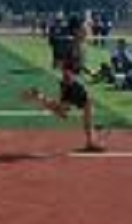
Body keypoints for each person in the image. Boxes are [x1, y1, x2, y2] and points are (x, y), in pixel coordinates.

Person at [23, 14, 105, 152]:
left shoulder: (80, 44)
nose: (87, 28)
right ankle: (91, 141)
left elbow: (78, 64)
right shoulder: (71, 44)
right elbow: (61, 64)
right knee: (88, 104)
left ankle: (37, 97)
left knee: (62, 111)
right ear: (77, 30)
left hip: (70, 81)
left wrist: (91, 72)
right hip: (70, 81)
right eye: (84, 26)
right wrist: (69, 77)